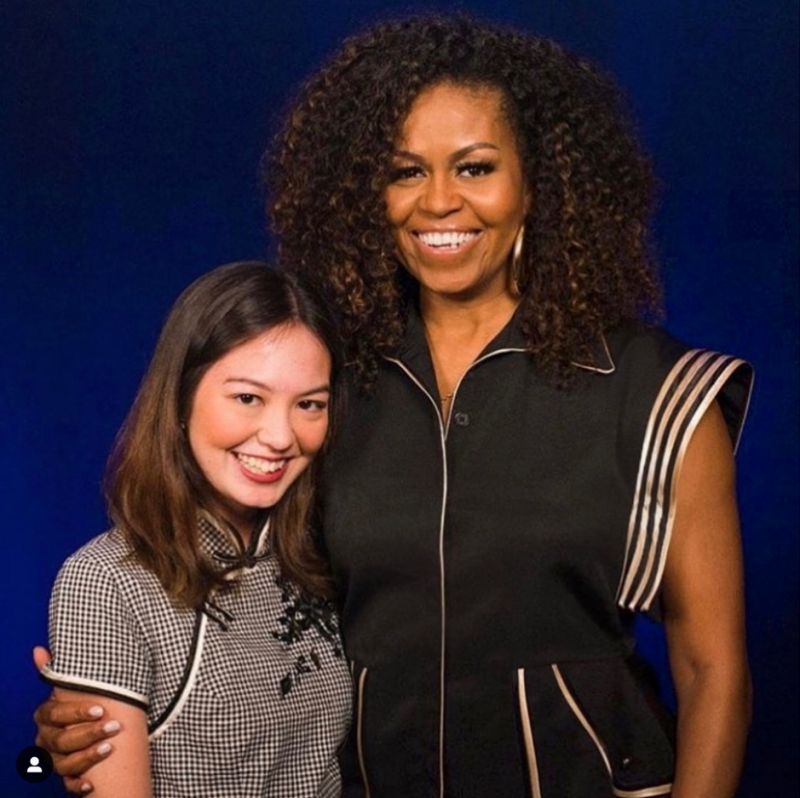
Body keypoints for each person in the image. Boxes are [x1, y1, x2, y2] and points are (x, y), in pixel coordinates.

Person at [34, 15, 753, 798]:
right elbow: (237, 617)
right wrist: (100, 709)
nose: (437, 201)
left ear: (537, 183)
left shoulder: (657, 390)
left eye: (475, 168)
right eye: (406, 171)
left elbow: (712, 669)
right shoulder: (327, 385)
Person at [35, 261, 352, 797]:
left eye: (309, 405)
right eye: (247, 397)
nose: (280, 436)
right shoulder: (108, 582)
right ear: (181, 397)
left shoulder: (325, 553)